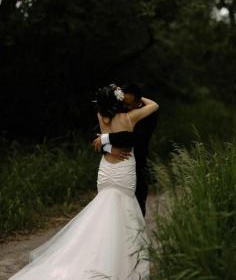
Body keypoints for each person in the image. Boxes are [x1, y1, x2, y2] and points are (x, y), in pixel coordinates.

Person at [8, 85, 159, 280]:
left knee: (103, 210)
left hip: (106, 169)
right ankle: (122, 264)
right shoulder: (131, 117)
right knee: (124, 212)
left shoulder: (100, 116)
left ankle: (94, 256)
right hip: (123, 170)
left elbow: (104, 133)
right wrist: (127, 99)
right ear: (119, 100)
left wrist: (106, 139)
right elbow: (154, 105)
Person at [92, 83, 158, 216]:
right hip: (116, 164)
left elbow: (136, 138)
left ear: (138, 100)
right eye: (123, 102)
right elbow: (94, 137)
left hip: (137, 163)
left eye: (129, 103)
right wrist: (109, 148)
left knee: (136, 207)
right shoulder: (118, 113)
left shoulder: (147, 116)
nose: (125, 106)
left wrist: (106, 138)